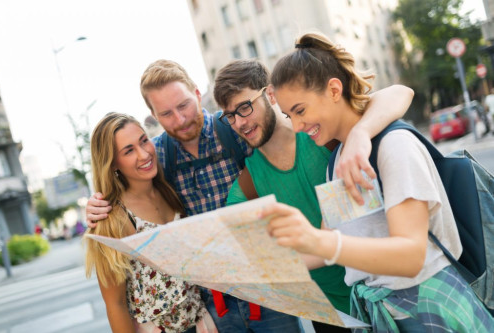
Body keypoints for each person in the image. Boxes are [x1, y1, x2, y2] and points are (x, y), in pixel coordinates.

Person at [85, 59, 410, 332]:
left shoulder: (241, 130)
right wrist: (99, 204)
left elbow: (394, 95)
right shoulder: (155, 157)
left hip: (283, 297)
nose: (180, 119)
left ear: (198, 95)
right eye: (166, 114)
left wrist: (359, 136)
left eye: (184, 105)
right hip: (218, 306)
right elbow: (122, 172)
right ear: (154, 118)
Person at [265, 31, 494, 332]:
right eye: (287, 115)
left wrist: (322, 242)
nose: (295, 126)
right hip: (390, 317)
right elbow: (322, 243)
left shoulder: (393, 145)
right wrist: (258, 268)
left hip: (431, 313)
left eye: (300, 111)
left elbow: (412, 255)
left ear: (334, 90)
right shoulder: (336, 162)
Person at [214, 59, 412, 332]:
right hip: (332, 315)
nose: (239, 122)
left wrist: (360, 134)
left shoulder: (319, 132)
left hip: (386, 292)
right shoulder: (250, 180)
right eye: (230, 116)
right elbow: (228, 233)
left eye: (244, 107)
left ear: (270, 94)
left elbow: (400, 93)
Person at [84, 112, 215, 333]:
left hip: (201, 323)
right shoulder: (112, 219)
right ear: (113, 163)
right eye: (128, 151)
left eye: (144, 140)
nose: (144, 154)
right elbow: (115, 304)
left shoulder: (169, 191)